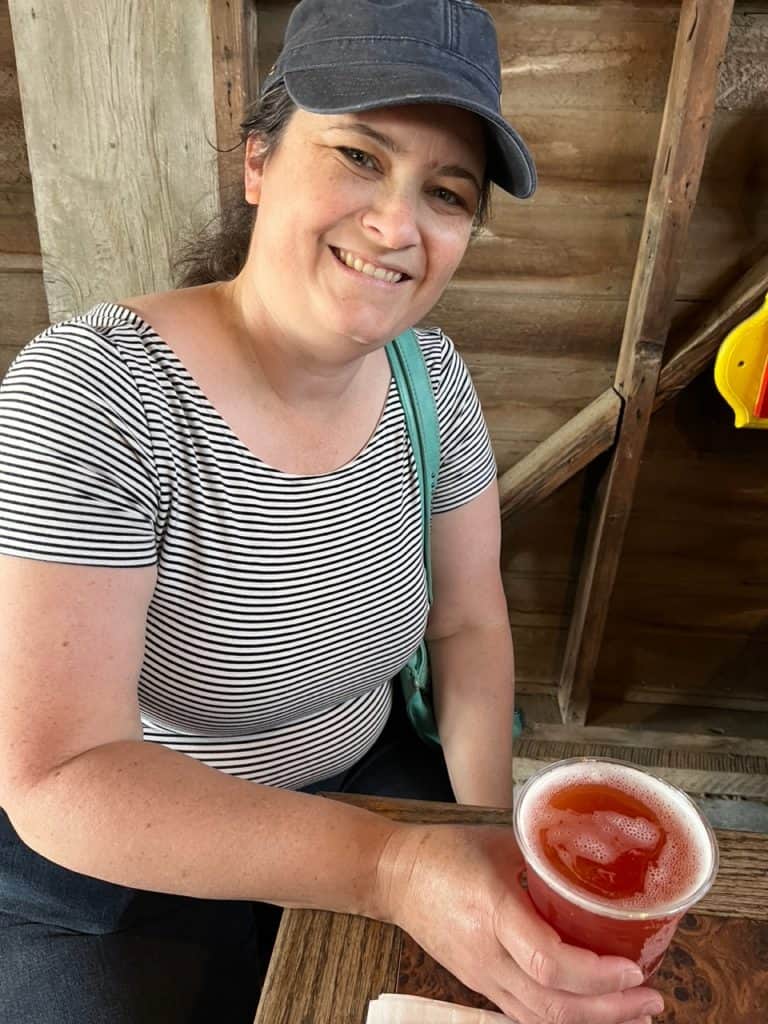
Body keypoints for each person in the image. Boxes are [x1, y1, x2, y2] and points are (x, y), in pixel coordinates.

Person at [0, 1, 664, 1022]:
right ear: (260, 162)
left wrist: (492, 832)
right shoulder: (95, 397)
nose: (398, 225)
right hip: (129, 853)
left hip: (374, 790)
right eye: (358, 154)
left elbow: (468, 622)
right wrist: (394, 872)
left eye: (446, 193)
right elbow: (57, 774)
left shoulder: (430, 382)